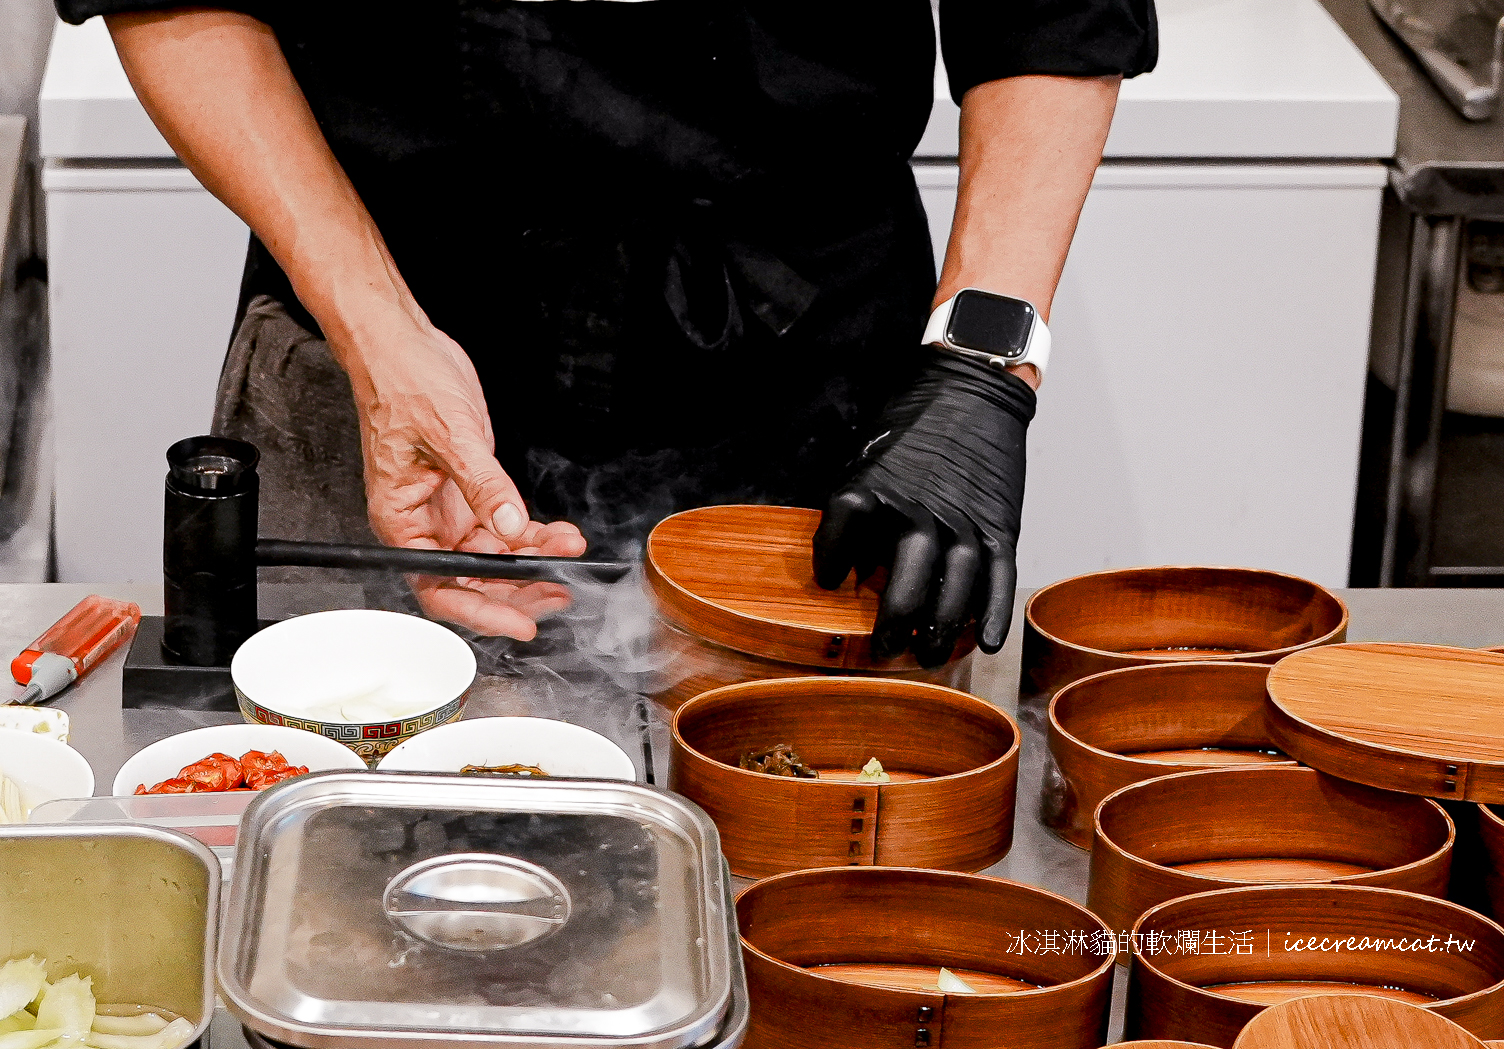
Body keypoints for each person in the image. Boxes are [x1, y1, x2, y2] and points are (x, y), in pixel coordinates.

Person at [58, 0, 1156, 665]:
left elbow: (1046, 12)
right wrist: (377, 333)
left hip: (799, 370)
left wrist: (978, 363)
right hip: (376, 350)